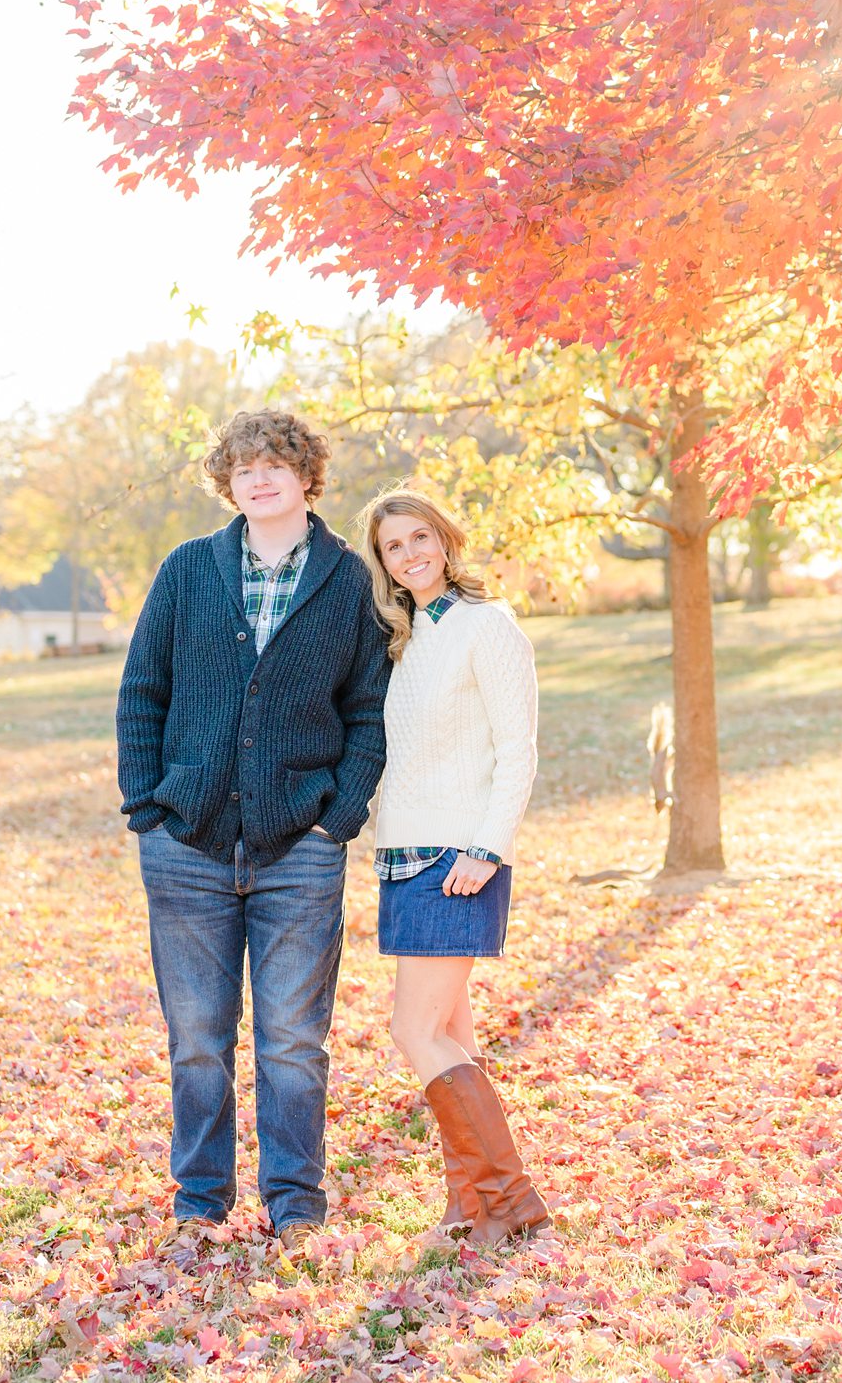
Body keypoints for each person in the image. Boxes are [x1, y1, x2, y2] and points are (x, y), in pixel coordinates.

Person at [116, 408, 391, 1261]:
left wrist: (335, 819)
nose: (258, 478)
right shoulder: (188, 569)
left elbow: (368, 712)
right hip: (187, 843)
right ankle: (200, 1198)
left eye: (274, 463)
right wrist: (148, 808)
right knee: (197, 1038)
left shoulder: (350, 579)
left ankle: (295, 1201)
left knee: (294, 1041)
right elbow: (142, 692)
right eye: (242, 468)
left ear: (306, 475)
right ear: (227, 482)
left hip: (298, 849)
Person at [356, 487, 550, 1248]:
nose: (410, 554)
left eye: (419, 537)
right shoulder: (407, 642)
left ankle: (512, 1201)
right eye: (393, 547)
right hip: (403, 855)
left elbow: (517, 750)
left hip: (457, 859)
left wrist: (487, 846)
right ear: (385, 564)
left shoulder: (485, 625)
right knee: (451, 1035)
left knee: (412, 1027)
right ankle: (470, 1208)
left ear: (444, 539)